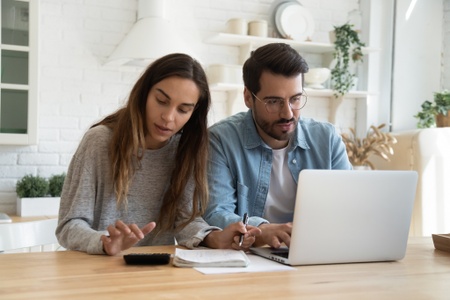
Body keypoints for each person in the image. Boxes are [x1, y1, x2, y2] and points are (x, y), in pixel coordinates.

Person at [56, 53, 260, 255]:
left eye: (183, 110)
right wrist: (104, 241)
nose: (168, 117)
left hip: (155, 271)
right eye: (161, 101)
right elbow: (69, 225)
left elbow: (184, 221)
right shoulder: (99, 142)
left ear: (193, 113)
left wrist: (215, 237)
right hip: (97, 272)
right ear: (144, 94)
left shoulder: (185, 149)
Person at [203, 43, 352, 249]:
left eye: (295, 99)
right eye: (273, 102)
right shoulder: (220, 140)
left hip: (317, 252)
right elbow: (215, 212)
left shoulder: (327, 139)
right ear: (248, 97)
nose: (288, 113)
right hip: (251, 258)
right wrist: (262, 230)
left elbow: (350, 206)